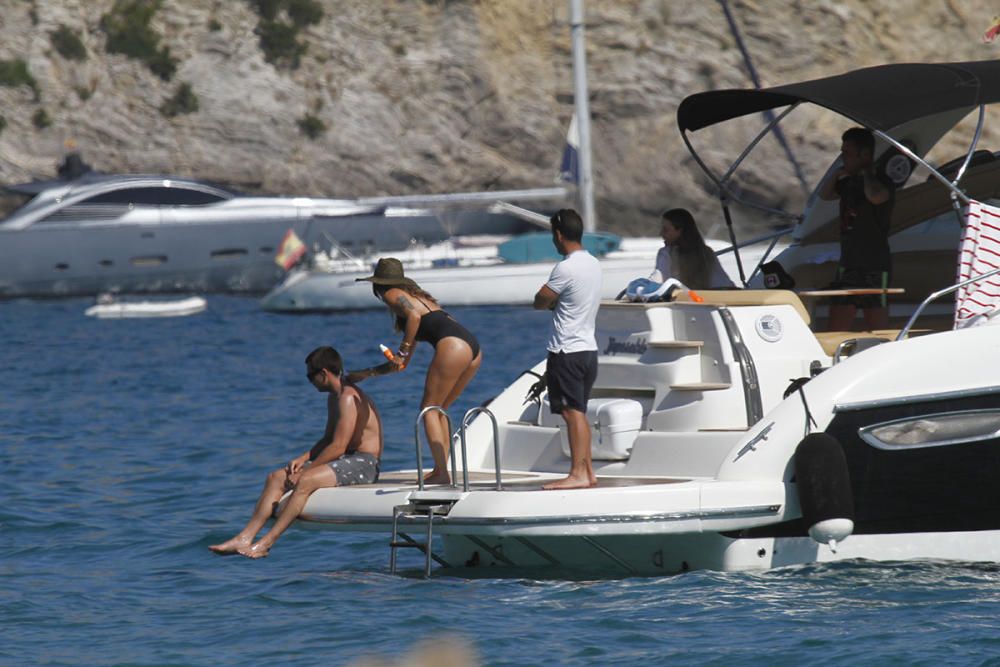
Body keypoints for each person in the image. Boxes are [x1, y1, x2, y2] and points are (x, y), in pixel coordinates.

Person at [209, 346, 383, 559]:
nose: (309, 381)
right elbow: (328, 440)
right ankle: (244, 537)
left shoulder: (347, 398)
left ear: (324, 374)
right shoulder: (334, 397)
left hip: (364, 464)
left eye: (310, 376)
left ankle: (266, 543)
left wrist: (304, 472)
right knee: (276, 478)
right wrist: (302, 459)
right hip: (346, 458)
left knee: (305, 481)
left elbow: (338, 446)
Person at [349, 258, 482, 485]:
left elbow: (414, 317)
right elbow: (400, 365)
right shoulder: (422, 300)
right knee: (439, 410)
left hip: (453, 345)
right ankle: (443, 469)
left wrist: (403, 349)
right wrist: (366, 373)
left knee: (428, 410)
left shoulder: (392, 293)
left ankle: (441, 472)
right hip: (472, 348)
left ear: (377, 286)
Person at [533, 208, 602, 490]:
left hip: (567, 351)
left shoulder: (566, 266)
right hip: (588, 350)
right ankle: (587, 471)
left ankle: (578, 473)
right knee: (578, 411)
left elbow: (541, 299)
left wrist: (548, 302)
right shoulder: (594, 263)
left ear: (558, 235)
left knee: (571, 413)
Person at [818, 127, 895, 331]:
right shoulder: (848, 182)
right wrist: (838, 173)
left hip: (875, 266)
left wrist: (866, 173)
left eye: (848, 154)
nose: (844, 158)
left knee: (877, 326)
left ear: (865, 155)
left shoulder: (881, 181)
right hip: (849, 263)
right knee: (837, 325)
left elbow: (876, 197)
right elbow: (825, 194)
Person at [650, 208, 735, 290]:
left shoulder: (666, 254)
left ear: (680, 230)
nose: (661, 233)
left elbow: (656, 282)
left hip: (680, 303)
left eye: (666, 229)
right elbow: (724, 284)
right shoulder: (706, 253)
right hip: (705, 302)